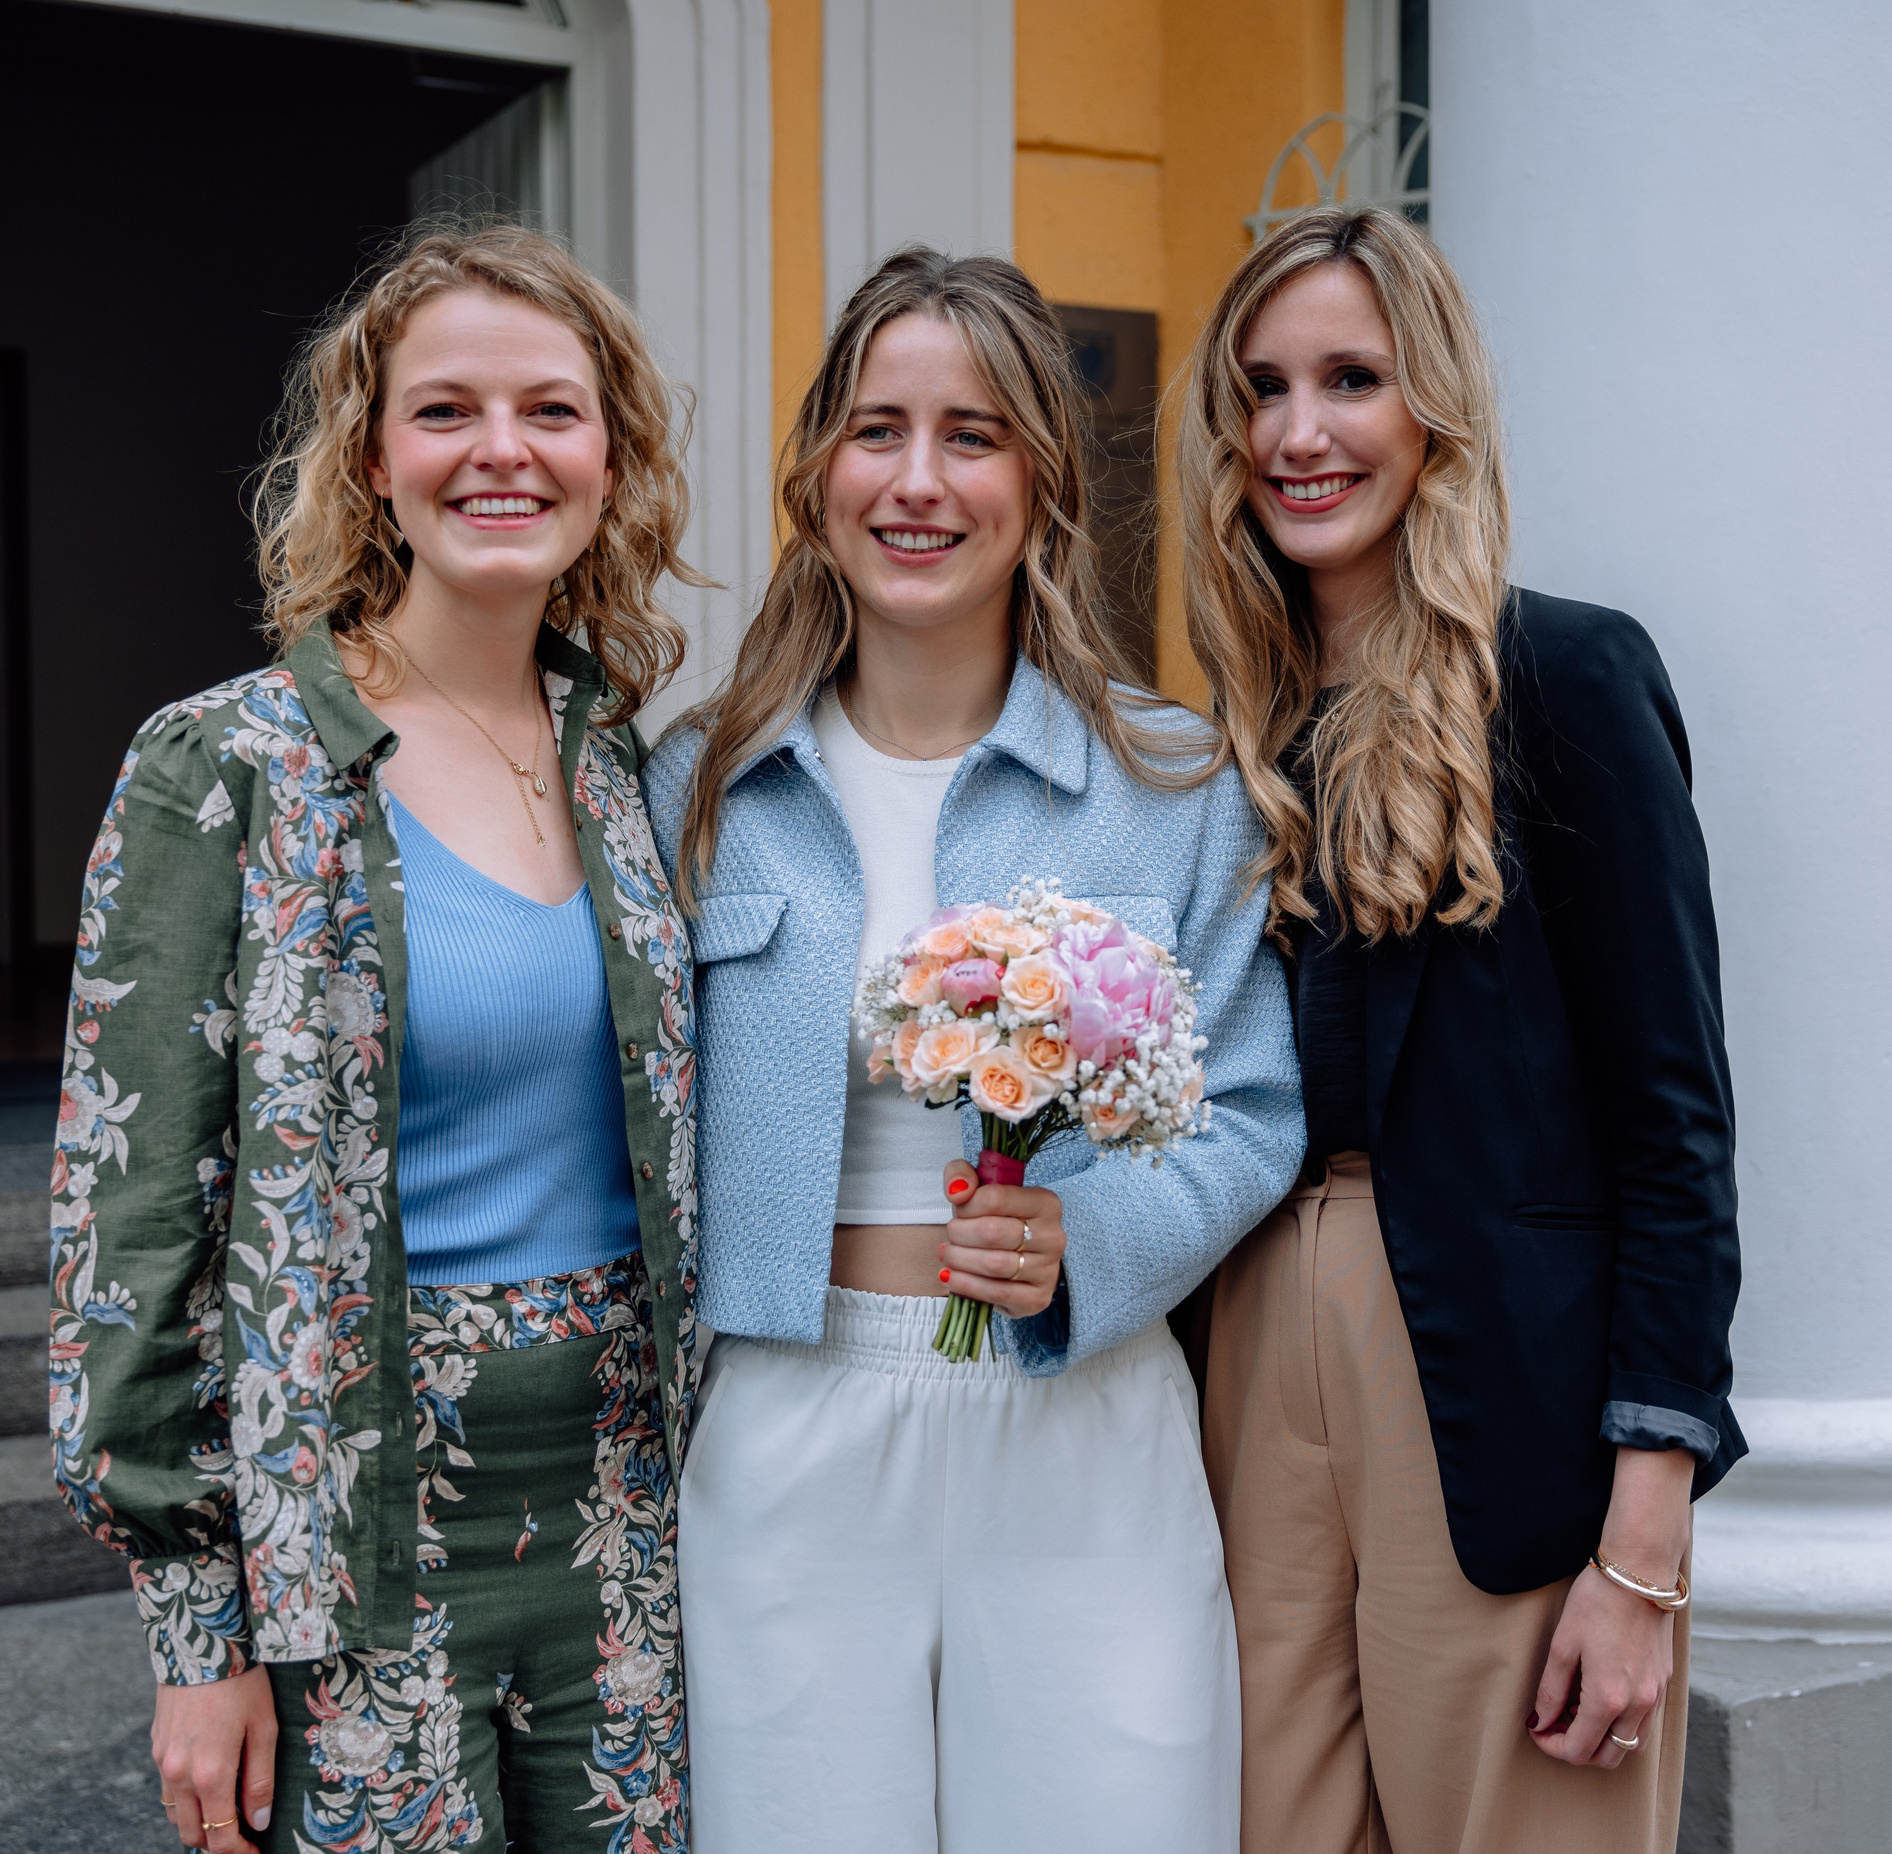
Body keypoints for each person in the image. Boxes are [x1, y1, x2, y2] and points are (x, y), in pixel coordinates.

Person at [47, 222, 708, 1854]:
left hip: (635, 1510)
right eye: (446, 411)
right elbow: (125, 1225)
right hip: (355, 1538)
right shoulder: (230, 764)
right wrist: (200, 1633)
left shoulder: (630, 768)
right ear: (371, 456)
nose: (503, 451)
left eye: (551, 410)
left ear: (610, 454)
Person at [643, 247, 1303, 1852]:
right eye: (878, 430)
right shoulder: (697, 786)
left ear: (1043, 481)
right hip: (794, 1413)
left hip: (1080, 1420)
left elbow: (1257, 1110)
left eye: (975, 434)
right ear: (815, 474)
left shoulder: (1172, 778)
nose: (919, 480)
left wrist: (1091, 1237)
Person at [1179, 202, 1746, 1854]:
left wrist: (1644, 1545)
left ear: (1432, 404)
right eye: (1263, 388)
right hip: (1254, 1322)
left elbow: (1675, 1123)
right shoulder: (1231, 727)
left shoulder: (1565, 676)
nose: (1300, 432)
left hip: (1496, 1363)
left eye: (1350, 378)